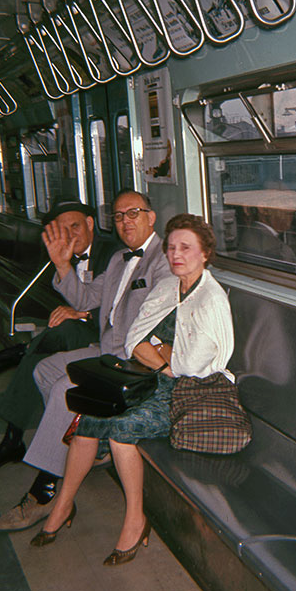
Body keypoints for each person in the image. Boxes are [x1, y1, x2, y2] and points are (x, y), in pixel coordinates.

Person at [30, 213, 234, 566]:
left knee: (121, 432)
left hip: (187, 393)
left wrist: (158, 353)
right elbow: (133, 339)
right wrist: (161, 357)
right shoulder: (169, 286)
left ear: (205, 253)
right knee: (89, 417)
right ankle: (62, 506)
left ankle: (135, 519)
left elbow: (192, 365)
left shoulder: (210, 299)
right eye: (171, 247)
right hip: (154, 379)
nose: (175, 254)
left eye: (186, 247)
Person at [0, 190, 170, 532]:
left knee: (63, 390)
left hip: (135, 360)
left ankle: (45, 492)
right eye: (118, 216)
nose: (125, 222)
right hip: (106, 350)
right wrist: (62, 264)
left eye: (133, 213)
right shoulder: (118, 259)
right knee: (45, 369)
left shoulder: (164, 260)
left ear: (151, 216)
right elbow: (86, 298)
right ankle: (85, 442)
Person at [0, 198, 119, 474]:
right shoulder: (62, 253)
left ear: (90, 224)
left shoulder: (112, 253)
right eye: (63, 230)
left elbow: (109, 307)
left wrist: (80, 313)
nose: (70, 235)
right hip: (76, 333)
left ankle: (12, 439)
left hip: (108, 339)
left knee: (58, 333)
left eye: (75, 226)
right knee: (42, 353)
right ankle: (14, 437)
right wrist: (66, 280)